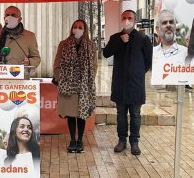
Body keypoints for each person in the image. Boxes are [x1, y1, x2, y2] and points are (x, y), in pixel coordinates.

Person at [103, 10, 152, 156]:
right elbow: (106, 53)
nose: (127, 20)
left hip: (136, 84)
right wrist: (120, 41)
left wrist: (137, 73)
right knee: (121, 114)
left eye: (129, 18)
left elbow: (148, 61)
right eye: (124, 18)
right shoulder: (115, 37)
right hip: (120, 84)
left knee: (136, 114)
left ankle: (134, 142)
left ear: (135, 20)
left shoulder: (143, 38)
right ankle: (122, 140)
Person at [53, 19, 97, 153]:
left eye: (80, 27)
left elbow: (94, 65)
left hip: (83, 84)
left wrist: (89, 80)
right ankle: (72, 139)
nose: (77, 29)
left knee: (81, 114)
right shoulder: (64, 44)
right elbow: (57, 63)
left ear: (85, 30)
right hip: (68, 84)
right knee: (71, 114)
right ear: (71, 29)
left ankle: (80, 140)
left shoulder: (90, 45)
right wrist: (61, 78)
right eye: (75, 27)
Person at [151, 9, 188, 84]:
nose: (168, 25)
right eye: (164, 23)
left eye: (171, 22)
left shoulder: (186, 52)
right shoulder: (151, 53)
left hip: (180, 94)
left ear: (175, 27)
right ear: (157, 29)